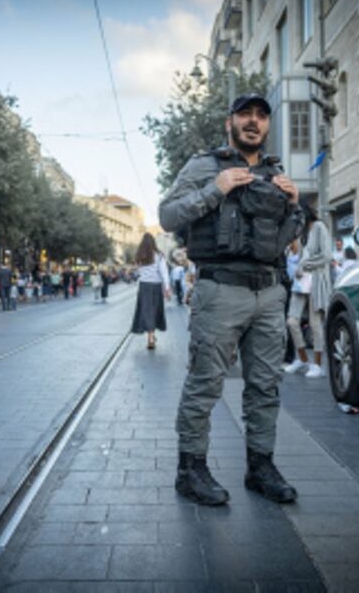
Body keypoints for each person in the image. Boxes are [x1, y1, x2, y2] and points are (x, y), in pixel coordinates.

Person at [159, 93, 303, 506]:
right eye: (245, 115)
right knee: (205, 382)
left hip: (269, 291)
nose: (253, 122)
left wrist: (296, 206)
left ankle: (261, 467)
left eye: (261, 116)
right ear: (230, 123)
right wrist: (215, 189)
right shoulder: (204, 166)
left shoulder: (276, 172)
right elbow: (168, 215)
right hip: (220, 290)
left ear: (267, 125)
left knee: (265, 385)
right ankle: (191, 470)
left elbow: (287, 236)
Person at [284, 201, 332, 378]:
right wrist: (300, 267)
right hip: (301, 282)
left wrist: (305, 265)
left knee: (315, 323)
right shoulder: (303, 232)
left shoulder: (319, 227)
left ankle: (318, 365)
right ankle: (303, 359)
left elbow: (326, 255)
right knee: (291, 321)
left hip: (317, 280)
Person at [131, 233, 171, 349]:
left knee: (146, 311)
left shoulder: (139, 255)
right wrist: (167, 287)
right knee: (154, 310)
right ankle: (152, 336)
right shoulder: (159, 255)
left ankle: (150, 336)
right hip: (156, 286)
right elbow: (164, 272)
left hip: (144, 286)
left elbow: (138, 272)